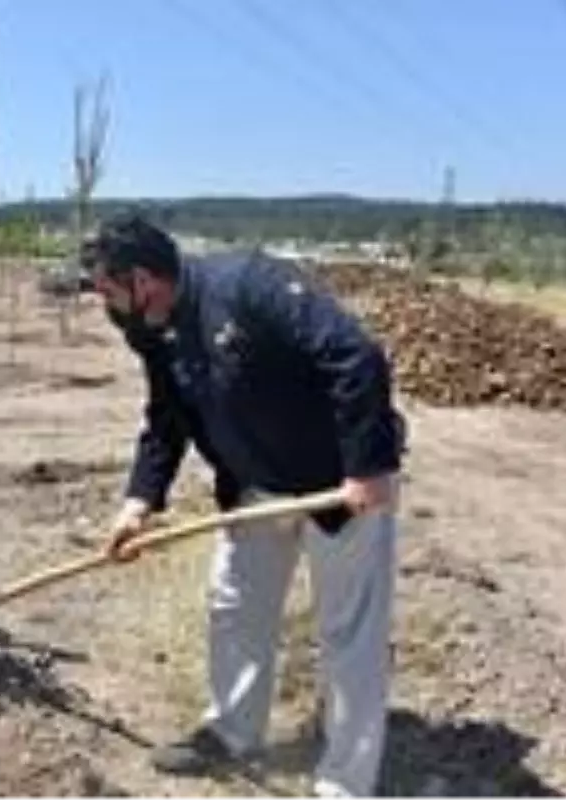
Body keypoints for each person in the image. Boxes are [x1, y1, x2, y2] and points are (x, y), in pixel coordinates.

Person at [81, 212, 405, 800]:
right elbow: (166, 417)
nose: (105, 301)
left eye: (108, 287)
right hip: (254, 488)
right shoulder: (149, 327)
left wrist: (368, 467)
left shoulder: (248, 284)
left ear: (142, 279)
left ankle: (344, 783)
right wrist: (139, 501)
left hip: (338, 488)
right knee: (234, 607)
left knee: (348, 635)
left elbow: (355, 356)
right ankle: (232, 734)